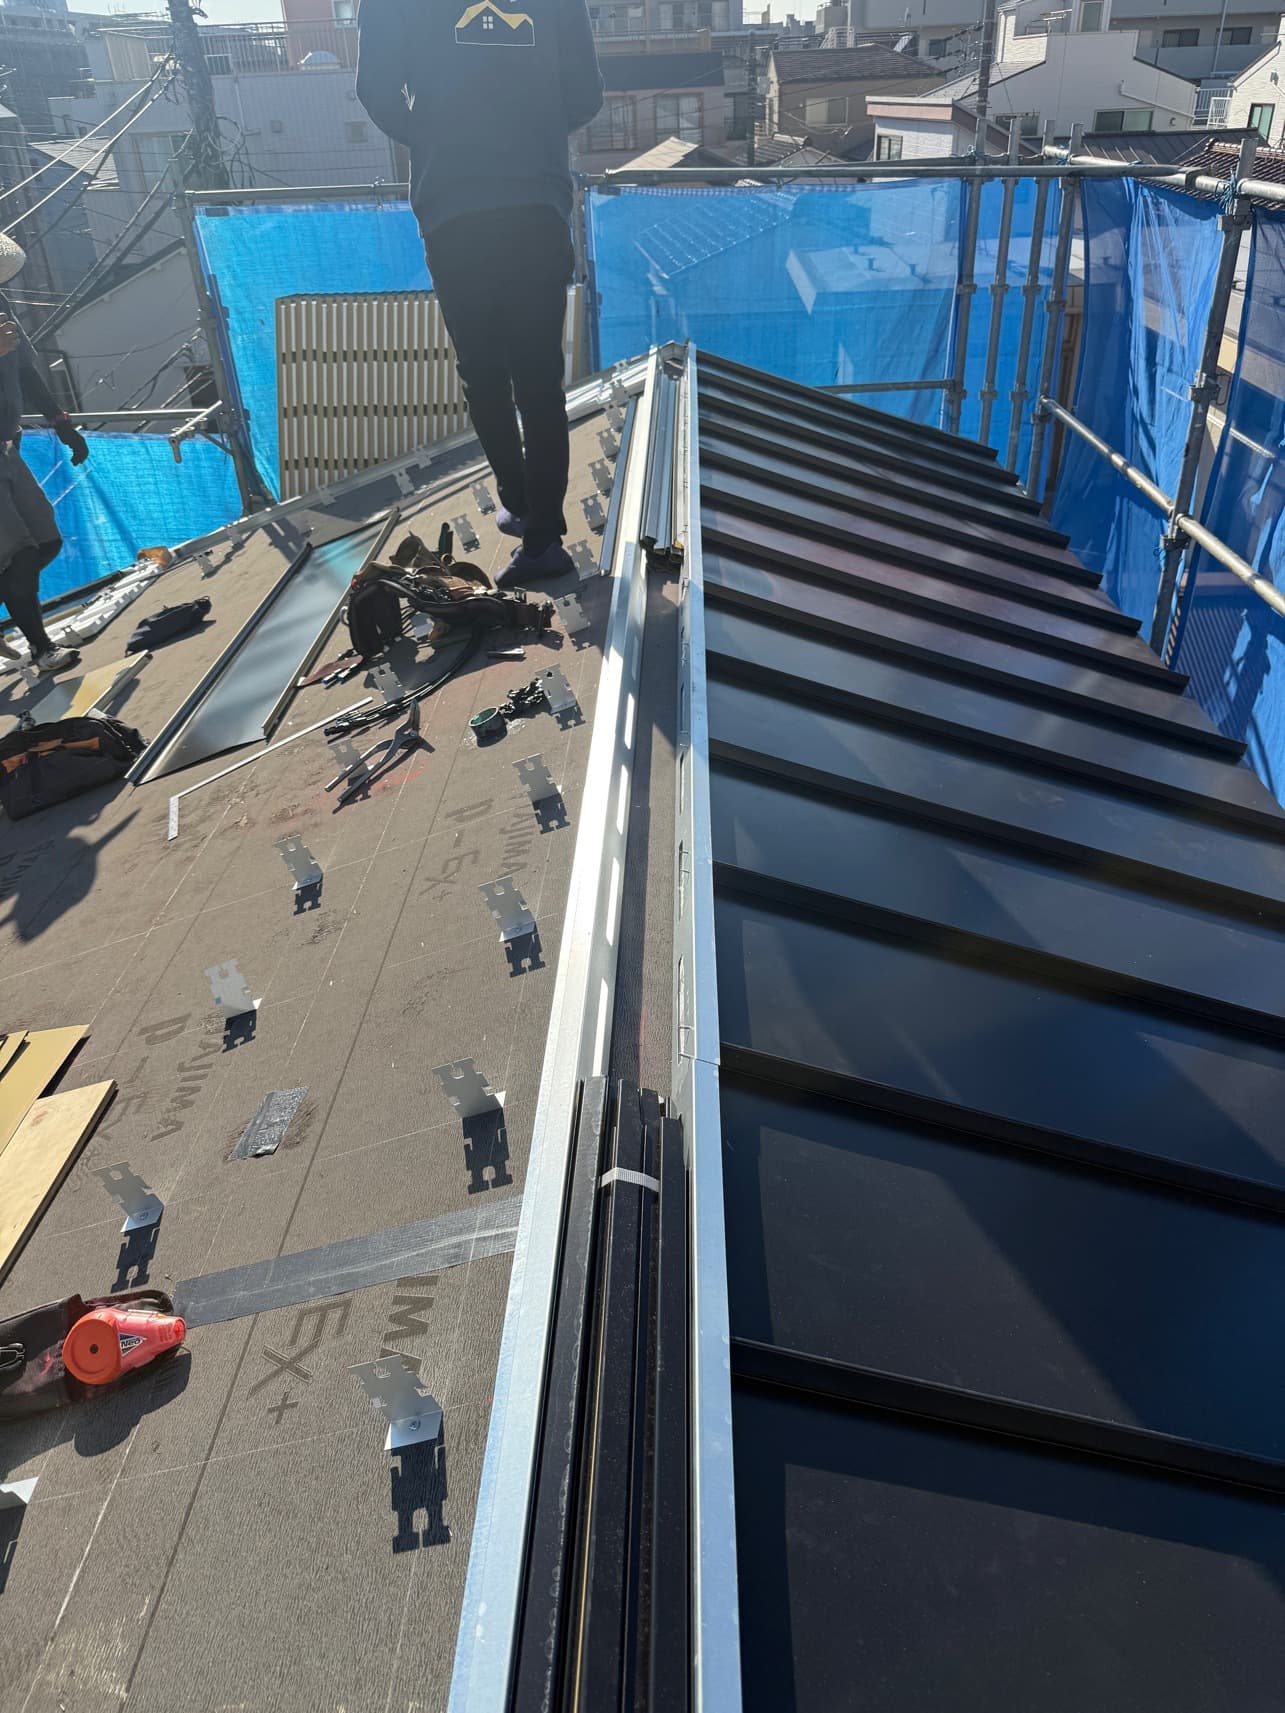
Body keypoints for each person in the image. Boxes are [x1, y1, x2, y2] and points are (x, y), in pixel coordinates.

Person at [358, 0, 602, 588]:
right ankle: (542, 538)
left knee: (484, 372)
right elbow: (586, 94)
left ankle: (520, 505)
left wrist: (444, 134)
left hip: (454, 205)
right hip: (536, 201)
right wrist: (527, 131)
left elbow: (376, 92)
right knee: (539, 376)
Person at [0, 233, 88, 673]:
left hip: (7, 445)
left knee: (46, 540)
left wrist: (61, 422)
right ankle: (41, 649)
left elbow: (26, 372)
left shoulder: (1, 306)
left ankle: (25, 626)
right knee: (18, 554)